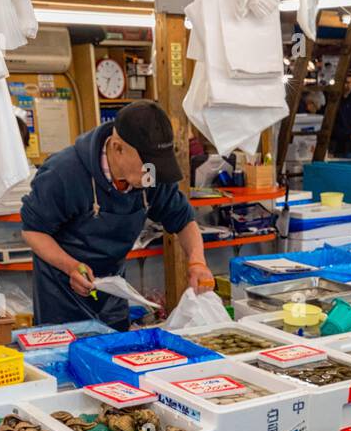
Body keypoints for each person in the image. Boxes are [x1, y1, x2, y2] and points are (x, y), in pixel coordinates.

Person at [21, 100, 213, 327]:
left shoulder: (150, 175)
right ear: (117, 147)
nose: (151, 172)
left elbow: (183, 221)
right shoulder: (64, 172)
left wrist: (197, 263)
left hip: (113, 290)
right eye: (146, 163)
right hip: (62, 295)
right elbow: (33, 231)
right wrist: (71, 266)